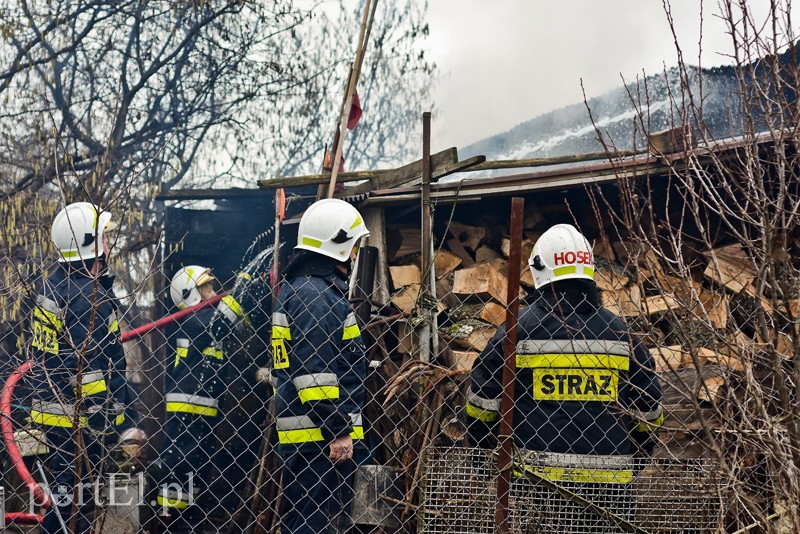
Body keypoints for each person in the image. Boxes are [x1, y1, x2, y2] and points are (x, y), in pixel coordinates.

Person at [466, 223, 663, 533]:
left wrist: (482, 455)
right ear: (589, 270)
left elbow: (483, 401)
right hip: (610, 485)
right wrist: (635, 458)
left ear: (541, 269)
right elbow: (649, 409)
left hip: (537, 484)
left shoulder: (518, 330)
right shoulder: (621, 333)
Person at [28, 202, 130, 534]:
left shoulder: (54, 285)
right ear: (90, 242)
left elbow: (52, 357)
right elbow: (88, 369)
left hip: (54, 411)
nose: (109, 244)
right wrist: (104, 422)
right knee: (74, 505)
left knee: (64, 497)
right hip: (82, 419)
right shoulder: (89, 298)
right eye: (104, 236)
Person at [271, 198, 369, 534]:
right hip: (320, 438)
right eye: (352, 245)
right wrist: (338, 429)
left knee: (304, 521)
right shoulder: (316, 295)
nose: (354, 254)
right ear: (339, 246)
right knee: (314, 525)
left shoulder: (303, 289)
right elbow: (314, 374)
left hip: (312, 434)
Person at [149, 265, 225, 532]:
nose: (214, 293)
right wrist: (245, 289)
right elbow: (226, 321)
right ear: (191, 295)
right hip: (188, 405)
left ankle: (187, 523)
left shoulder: (202, 317)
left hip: (201, 405)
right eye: (207, 289)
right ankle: (171, 523)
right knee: (180, 464)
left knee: (196, 466)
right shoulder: (195, 319)